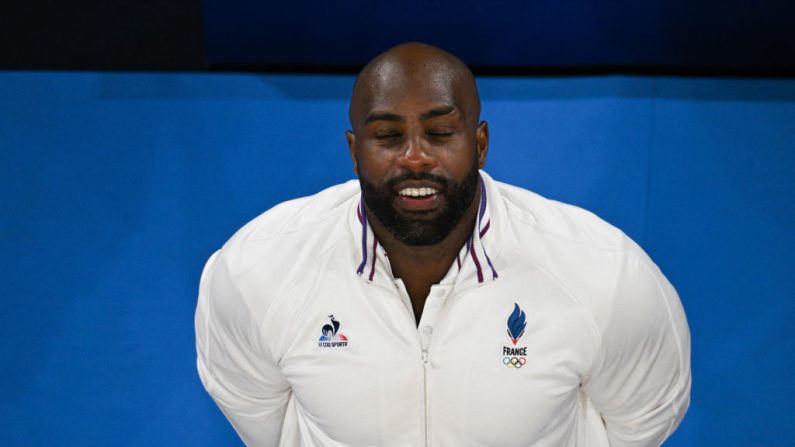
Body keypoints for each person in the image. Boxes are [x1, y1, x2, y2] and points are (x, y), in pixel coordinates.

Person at [195, 42, 691, 446]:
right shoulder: (256, 269)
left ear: (479, 144)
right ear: (353, 151)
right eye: (388, 135)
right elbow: (257, 413)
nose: (414, 158)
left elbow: (645, 417)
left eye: (439, 131)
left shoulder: (602, 273)